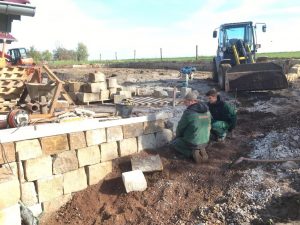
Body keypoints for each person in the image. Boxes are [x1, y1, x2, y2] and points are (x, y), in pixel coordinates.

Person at [170, 91, 211, 163]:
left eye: (185, 101)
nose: (185, 104)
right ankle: (200, 148)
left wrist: (177, 136)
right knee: (195, 129)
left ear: (191, 101)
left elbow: (180, 127)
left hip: (193, 141)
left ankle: (191, 153)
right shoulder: (207, 110)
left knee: (174, 144)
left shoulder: (189, 113)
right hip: (206, 139)